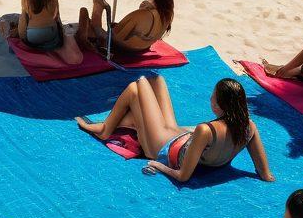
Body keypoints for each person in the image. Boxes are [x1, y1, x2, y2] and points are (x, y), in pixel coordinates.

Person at [76, 75, 274, 186]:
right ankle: (122, 122)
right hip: (181, 137)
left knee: (138, 85)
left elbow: (182, 176)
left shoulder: (206, 130)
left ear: (219, 106)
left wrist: (158, 164)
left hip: (163, 147)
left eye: (213, 97)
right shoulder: (248, 127)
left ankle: (104, 129)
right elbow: (265, 173)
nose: (210, 99)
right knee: (159, 80)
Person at [2, 0, 84, 66]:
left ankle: (44, 49)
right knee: (57, 41)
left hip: (33, 37)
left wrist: (22, 38)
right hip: (51, 36)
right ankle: (56, 48)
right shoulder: (53, 0)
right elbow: (58, 21)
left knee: (14, 30)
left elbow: (23, 21)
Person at [78, 0, 174, 57]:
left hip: (120, 48)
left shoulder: (142, 14)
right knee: (95, 24)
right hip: (142, 48)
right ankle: (94, 15)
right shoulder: (167, 17)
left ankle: (97, 6)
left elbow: (118, 37)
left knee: (85, 13)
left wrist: (113, 27)